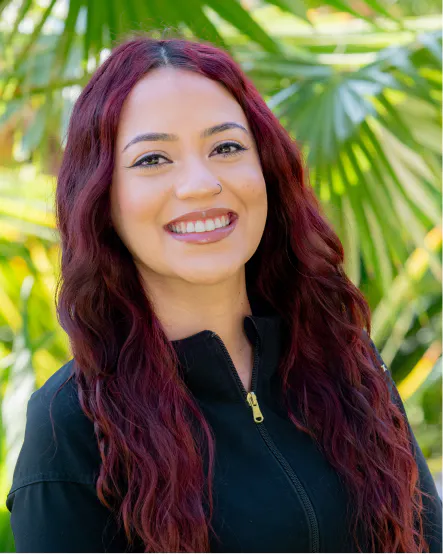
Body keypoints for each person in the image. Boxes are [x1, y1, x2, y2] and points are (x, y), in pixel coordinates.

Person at [5, 35, 442, 553]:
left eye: (226, 148)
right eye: (152, 159)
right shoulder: (72, 423)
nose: (200, 183)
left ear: (267, 170)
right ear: (102, 197)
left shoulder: (342, 357)